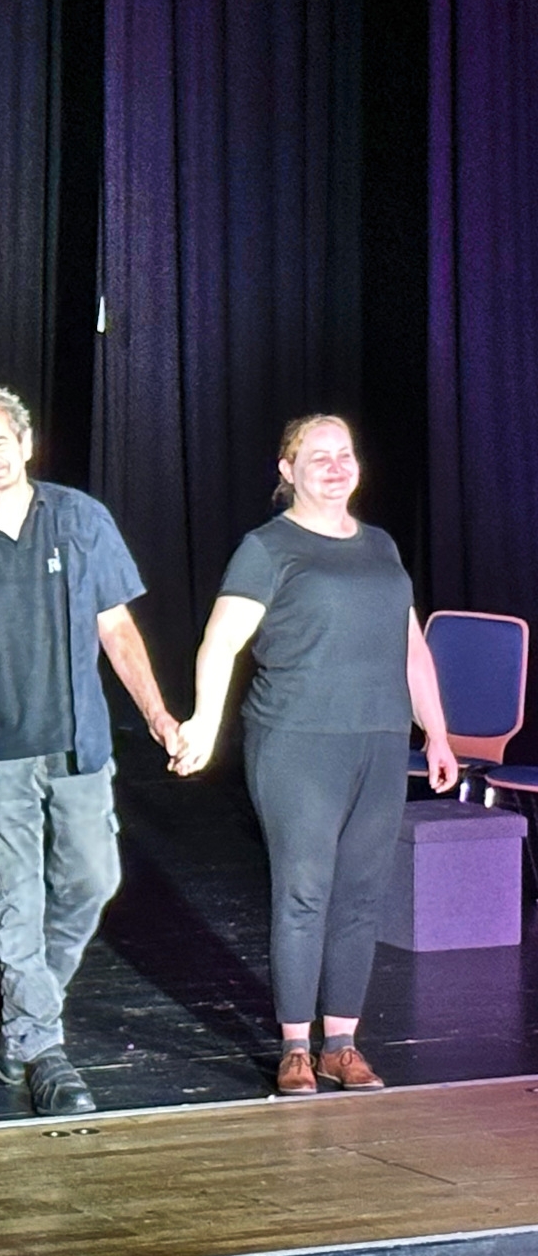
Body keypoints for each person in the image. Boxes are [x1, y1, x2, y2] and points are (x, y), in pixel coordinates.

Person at [0, 385, 178, 1117]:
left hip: (78, 747)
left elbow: (117, 629)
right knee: (14, 907)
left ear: (25, 445)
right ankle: (46, 1054)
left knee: (93, 881)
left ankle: (22, 1007)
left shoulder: (80, 520)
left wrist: (157, 714)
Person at [172, 414, 458, 1094]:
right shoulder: (268, 548)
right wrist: (206, 724)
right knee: (305, 892)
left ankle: (342, 1043)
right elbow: (220, 643)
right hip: (298, 743)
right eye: (317, 456)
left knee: (361, 896)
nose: (335, 467)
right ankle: (296, 1046)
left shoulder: (382, 546)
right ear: (287, 470)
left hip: (380, 740)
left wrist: (437, 732)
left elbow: (411, 647)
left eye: (344, 454)